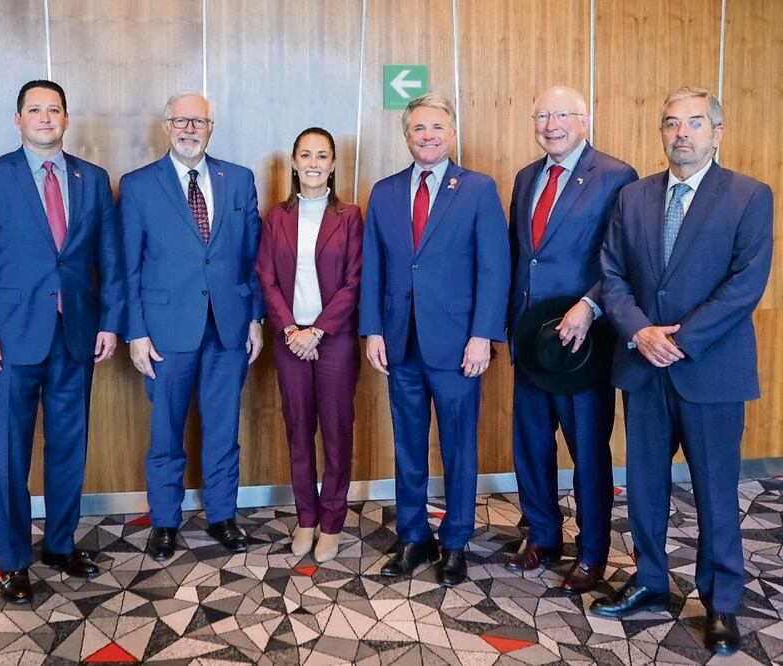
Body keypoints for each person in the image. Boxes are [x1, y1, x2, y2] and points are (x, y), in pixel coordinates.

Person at [594, 87, 774, 656]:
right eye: (671, 124)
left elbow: (745, 285)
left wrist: (683, 340)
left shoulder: (749, 196)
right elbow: (612, 273)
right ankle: (649, 580)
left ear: (717, 132)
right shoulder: (634, 197)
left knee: (716, 491)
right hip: (643, 363)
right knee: (644, 487)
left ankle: (721, 601)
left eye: (695, 124)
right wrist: (640, 331)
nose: (682, 134)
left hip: (711, 371)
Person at [0, 80, 122, 604]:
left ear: (67, 119)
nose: (45, 117)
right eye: (35, 109)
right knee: (9, 452)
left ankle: (59, 542)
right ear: (17, 119)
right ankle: (13, 561)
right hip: (7, 341)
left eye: (54, 109)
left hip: (76, 335)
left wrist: (110, 321)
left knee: (70, 446)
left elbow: (109, 261)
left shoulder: (92, 180)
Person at [359, 93, 510, 586]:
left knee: (459, 446)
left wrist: (483, 335)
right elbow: (374, 268)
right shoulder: (383, 192)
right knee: (407, 445)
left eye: (437, 127)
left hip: (457, 345)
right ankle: (413, 536)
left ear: (452, 133)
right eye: (419, 128)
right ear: (406, 136)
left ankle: (456, 541)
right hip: (400, 343)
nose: (428, 135)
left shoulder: (478, 189)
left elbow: (494, 268)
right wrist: (372, 329)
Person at [120, 91, 264, 562]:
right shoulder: (139, 186)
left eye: (198, 121)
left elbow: (253, 258)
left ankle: (223, 515)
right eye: (180, 121)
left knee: (223, 428)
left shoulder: (239, 180)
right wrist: (135, 332)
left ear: (211, 128)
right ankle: (165, 520)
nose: (189, 129)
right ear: (166, 127)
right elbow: (129, 267)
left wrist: (256, 318)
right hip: (164, 332)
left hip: (229, 327)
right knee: (166, 431)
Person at [506, 86, 637, 592]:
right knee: (531, 445)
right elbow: (525, 258)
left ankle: (592, 552)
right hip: (530, 339)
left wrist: (591, 304)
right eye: (542, 115)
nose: (551, 124)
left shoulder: (614, 175)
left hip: (583, 341)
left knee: (587, 449)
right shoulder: (525, 178)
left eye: (562, 114)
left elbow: (622, 259)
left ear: (585, 119)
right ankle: (542, 535)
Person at [256, 127, 363, 562]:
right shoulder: (277, 217)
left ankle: (332, 522)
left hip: (332, 339)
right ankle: (305, 518)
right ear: (294, 164)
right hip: (289, 338)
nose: (314, 163)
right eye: (306, 155)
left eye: (323, 156)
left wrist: (317, 331)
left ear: (333, 164)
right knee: (299, 431)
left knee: (336, 433)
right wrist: (290, 330)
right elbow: (265, 276)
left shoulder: (351, 216)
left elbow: (355, 281)